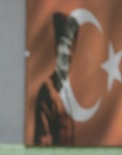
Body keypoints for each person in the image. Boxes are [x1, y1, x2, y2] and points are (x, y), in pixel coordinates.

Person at [33, 12, 78, 146]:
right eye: (63, 45)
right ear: (57, 50)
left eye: (70, 46)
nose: (67, 52)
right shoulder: (47, 90)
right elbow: (43, 142)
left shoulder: (66, 91)